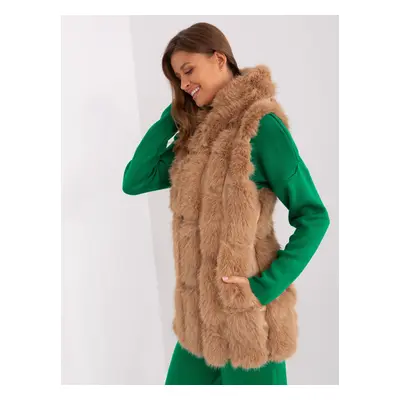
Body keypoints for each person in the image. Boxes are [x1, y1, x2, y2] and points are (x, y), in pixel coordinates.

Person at [122, 22, 330, 385]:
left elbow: (314, 216)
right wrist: (174, 114)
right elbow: (135, 180)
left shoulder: (261, 127)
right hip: (198, 326)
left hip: (247, 322)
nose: (184, 84)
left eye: (188, 70)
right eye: (177, 77)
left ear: (219, 59)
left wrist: (265, 287)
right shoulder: (196, 135)